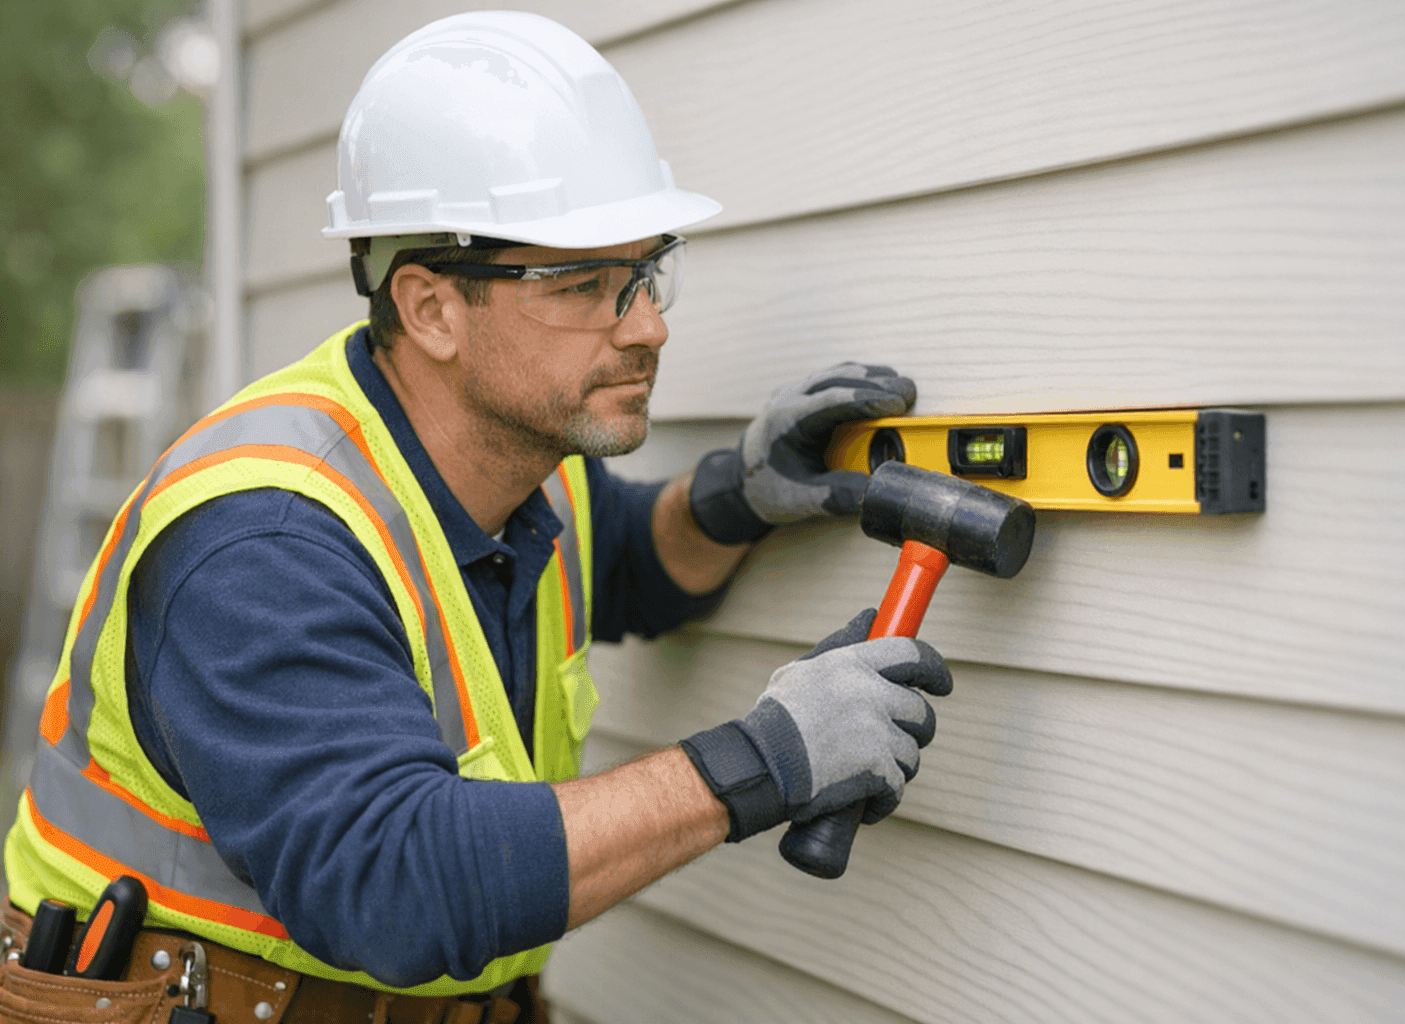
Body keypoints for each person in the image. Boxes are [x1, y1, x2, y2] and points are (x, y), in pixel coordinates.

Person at [1, 12, 951, 1023]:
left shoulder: (523, 463)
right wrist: (763, 760)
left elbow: (619, 559)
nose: (648, 324)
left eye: (646, 269)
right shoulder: (261, 543)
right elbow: (393, 884)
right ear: (430, 309)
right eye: (585, 283)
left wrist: (735, 498)